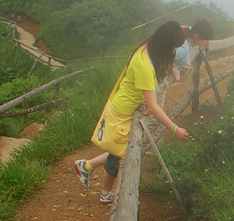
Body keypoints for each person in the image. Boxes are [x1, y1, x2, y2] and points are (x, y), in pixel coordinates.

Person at [74, 21, 190, 203]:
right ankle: (104, 192)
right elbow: (154, 107)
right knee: (120, 153)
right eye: (173, 47)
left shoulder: (147, 48)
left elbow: (145, 87)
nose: (174, 52)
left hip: (125, 106)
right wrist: (175, 129)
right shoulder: (145, 66)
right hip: (122, 112)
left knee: (120, 150)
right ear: (165, 43)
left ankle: (87, 166)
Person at [154, 19, 216, 109]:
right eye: (205, 41)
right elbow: (160, 54)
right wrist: (173, 68)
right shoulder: (184, 48)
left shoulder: (187, 33)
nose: (206, 44)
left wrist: (181, 63)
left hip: (159, 78)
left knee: (155, 113)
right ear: (196, 36)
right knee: (150, 111)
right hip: (156, 80)